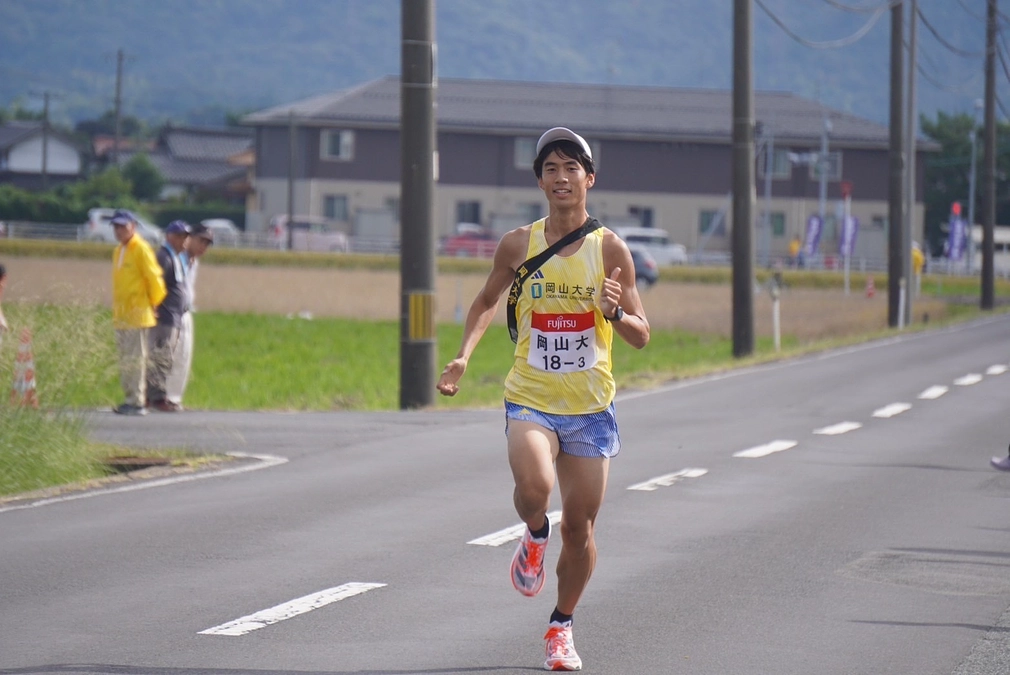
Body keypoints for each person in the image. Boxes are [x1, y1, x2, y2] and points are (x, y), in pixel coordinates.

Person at [436, 127, 650, 671]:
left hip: (590, 407)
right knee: (536, 489)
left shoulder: (610, 248)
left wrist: (614, 312)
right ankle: (534, 534)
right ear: (540, 180)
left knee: (580, 527)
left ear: (589, 179)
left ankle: (561, 626)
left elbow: (642, 333)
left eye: (571, 168)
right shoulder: (518, 243)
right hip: (530, 396)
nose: (561, 177)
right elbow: (487, 301)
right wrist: (463, 354)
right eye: (551, 168)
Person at [111, 209, 166, 416]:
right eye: (115, 227)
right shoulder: (119, 250)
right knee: (126, 360)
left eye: (122, 226)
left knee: (135, 359)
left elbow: (154, 278)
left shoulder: (141, 248)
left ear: (133, 226)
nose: (118, 231)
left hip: (137, 313)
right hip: (122, 314)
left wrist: (154, 303)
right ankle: (130, 398)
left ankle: (136, 401)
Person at [166, 222, 214, 409]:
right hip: (170, 313)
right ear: (190, 238)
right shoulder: (176, 258)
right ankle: (160, 396)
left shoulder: (195, 261)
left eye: (207, 244)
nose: (203, 246)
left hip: (186, 312)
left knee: (183, 357)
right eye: (201, 241)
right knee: (166, 356)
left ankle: (174, 398)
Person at [146, 220, 191, 412]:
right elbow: (156, 284)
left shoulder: (175, 257)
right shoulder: (164, 257)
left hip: (173, 317)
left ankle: (155, 395)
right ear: (169, 237)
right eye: (180, 236)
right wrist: (154, 306)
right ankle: (155, 397)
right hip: (164, 316)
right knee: (161, 356)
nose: (184, 241)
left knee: (165, 356)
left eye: (185, 237)